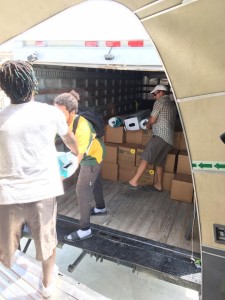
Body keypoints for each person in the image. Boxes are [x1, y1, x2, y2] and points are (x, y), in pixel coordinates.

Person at [0, 60, 78, 298]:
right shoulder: (51, 113)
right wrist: (76, 154)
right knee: (46, 243)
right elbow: (69, 140)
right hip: (43, 193)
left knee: (6, 243)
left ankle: (6, 276)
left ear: (4, 89)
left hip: (7, 195)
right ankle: (46, 286)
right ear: (33, 85)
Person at [54, 90, 107, 242]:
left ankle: (85, 229)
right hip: (88, 152)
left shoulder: (83, 127)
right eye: (55, 112)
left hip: (92, 157)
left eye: (61, 113)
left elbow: (77, 160)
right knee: (94, 180)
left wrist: (59, 176)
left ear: (72, 112)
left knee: (82, 189)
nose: (57, 117)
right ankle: (101, 207)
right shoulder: (59, 121)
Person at [121, 84, 177, 191]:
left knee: (146, 156)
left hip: (160, 136)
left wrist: (148, 125)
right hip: (169, 140)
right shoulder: (171, 104)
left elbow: (152, 119)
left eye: (155, 94)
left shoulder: (160, 102)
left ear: (160, 92)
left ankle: (134, 182)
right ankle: (158, 185)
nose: (153, 97)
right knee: (159, 163)